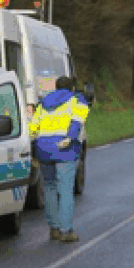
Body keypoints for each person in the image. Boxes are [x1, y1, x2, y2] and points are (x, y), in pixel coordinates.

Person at [29, 76, 89, 243]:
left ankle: (54, 228)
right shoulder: (77, 100)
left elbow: (33, 127)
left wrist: (34, 149)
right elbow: (77, 122)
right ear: (72, 88)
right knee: (65, 189)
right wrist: (69, 138)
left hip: (44, 149)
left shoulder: (43, 102)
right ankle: (66, 230)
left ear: (56, 88)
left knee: (49, 187)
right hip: (65, 149)